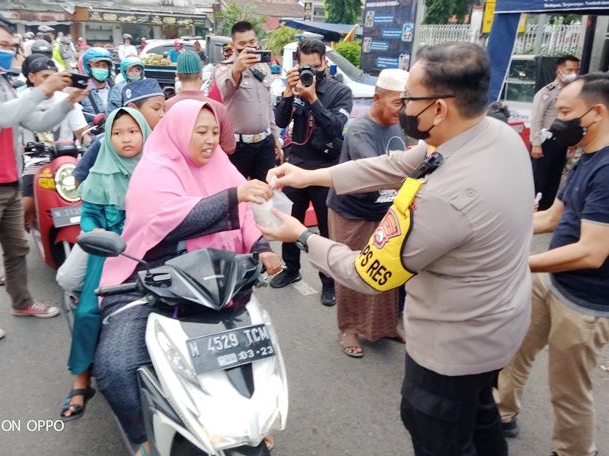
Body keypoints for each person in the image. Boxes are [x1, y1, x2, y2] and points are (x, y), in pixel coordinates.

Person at [259, 42, 533, 456]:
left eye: (410, 99)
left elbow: (368, 272)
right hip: (499, 326)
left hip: (451, 348)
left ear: (439, 107)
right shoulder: (492, 134)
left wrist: (300, 236)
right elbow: (394, 166)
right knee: (480, 417)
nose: (402, 107)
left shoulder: (447, 196)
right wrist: (309, 176)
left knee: (439, 433)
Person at [93, 100, 282, 449]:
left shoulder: (221, 165)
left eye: (215, 132)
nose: (211, 140)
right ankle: (142, 437)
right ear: (180, 132)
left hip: (214, 280)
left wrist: (262, 248)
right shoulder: (154, 170)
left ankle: (251, 416)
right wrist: (233, 195)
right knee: (116, 367)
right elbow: (174, 219)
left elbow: (245, 217)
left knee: (253, 350)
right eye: (201, 132)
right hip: (149, 279)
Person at [0, 19, 88, 341]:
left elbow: (35, 120)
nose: (10, 52)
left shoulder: (0, 81)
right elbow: (1, 116)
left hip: (7, 179)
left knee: (17, 248)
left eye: (12, 46)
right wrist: (43, 89)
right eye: (5, 46)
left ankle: (21, 302)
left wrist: (67, 102)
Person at [495, 73, 609, 456]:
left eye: (565, 111)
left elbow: (592, 252)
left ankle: (574, 451)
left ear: (597, 112)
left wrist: (517, 263)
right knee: (514, 351)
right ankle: (502, 411)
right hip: (551, 281)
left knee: (568, 392)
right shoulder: (586, 155)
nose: (557, 120)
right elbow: (552, 217)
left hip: (585, 304)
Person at [59, 107, 151, 421]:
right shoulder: (100, 171)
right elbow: (90, 216)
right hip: (111, 250)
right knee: (88, 310)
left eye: (132, 131)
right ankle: (82, 378)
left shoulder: (159, 167)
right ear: (108, 138)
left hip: (150, 250)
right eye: (117, 132)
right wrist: (96, 232)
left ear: (144, 133)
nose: (126, 139)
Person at [325, 68, 408, 355]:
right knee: (353, 271)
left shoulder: (398, 124)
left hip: (385, 212)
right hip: (352, 212)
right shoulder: (360, 129)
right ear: (377, 98)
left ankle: (384, 327)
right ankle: (349, 329)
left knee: (385, 270)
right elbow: (376, 170)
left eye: (407, 103)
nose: (403, 109)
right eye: (398, 102)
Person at [269, 39, 353, 306]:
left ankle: (329, 282)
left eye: (316, 67)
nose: (312, 73)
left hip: (325, 171)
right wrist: (287, 94)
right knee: (290, 223)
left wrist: (314, 99)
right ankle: (291, 270)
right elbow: (281, 121)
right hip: (296, 165)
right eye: (306, 67)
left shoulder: (340, 92)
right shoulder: (293, 87)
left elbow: (336, 128)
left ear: (325, 63)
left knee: (326, 230)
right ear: (298, 65)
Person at [19, 54, 89, 227]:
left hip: (69, 162)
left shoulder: (69, 100)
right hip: (37, 163)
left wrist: (90, 144)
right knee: (23, 206)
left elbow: (82, 132)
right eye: (45, 76)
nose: (50, 81)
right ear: (31, 77)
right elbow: (16, 138)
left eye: (53, 76)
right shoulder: (21, 102)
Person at [214, 21, 281, 181]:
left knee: (266, 193)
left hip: (265, 142)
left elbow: (267, 105)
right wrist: (237, 69)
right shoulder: (224, 69)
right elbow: (225, 91)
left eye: (251, 42)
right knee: (237, 194)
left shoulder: (263, 67)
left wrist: (275, 137)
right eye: (242, 43)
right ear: (234, 44)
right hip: (238, 146)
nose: (248, 47)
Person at [74, 78, 165, 184]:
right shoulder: (105, 143)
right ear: (133, 109)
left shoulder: (162, 142)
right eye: (156, 108)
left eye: (164, 109)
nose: (162, 114)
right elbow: (79, 178)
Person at [531, 55, 580, 211]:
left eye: (576, 70)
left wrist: (573, 142)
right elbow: (536, 118)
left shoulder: (573, 93)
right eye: (570, 70)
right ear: (559, 71)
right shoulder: (547, 92)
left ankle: (547, 207)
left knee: (555, 176)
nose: (574, 73)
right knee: (540, 177)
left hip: (562, 141)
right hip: (546, 141)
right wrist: (536, 143)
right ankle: (533, 208)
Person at [165, 50, 235, 154]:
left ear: (177, 75)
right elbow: (229, 148)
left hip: (173, 168)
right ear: (201, 75)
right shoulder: (218, 108)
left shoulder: (165, 107)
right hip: (209, 167)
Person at [79, 47, 115, 123]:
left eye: (104, 66)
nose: (101, 69)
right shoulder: (81, 92)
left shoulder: (116, 89)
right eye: (97, 65)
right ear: (88, 68)